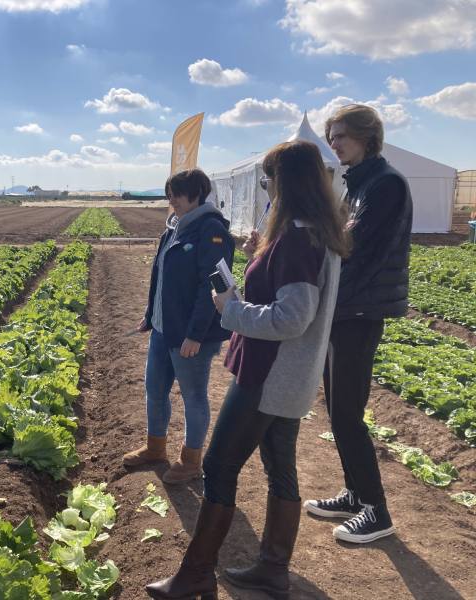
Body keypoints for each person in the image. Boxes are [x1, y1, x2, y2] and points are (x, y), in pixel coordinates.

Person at [145, 141, 350, 600]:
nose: (265, 189)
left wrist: (231, 310)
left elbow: (291, 317)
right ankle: (272, 571)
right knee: (281, 468)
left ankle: (196, 574)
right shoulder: (316, 232)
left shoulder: (299, 238)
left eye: (267, 180)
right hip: (290, 376)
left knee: (218, 466)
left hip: (266, 374)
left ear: (286, 181)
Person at [304, 104, 412, 543]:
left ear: (368, 136)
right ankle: (354, 494)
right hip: (345, 309)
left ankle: (377, 510)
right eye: (331, 136)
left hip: (360, 312)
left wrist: (325, 298)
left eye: (341, 135)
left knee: (348, 412)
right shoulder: (360, 184)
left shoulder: (385, 186)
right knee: (338, 410)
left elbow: (359, 255)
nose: (333, 143)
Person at [122, 168, 235, 484]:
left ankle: (191, 460)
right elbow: (160, 277)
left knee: (193, 396)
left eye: (177, 194)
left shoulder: (211, 230)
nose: (171, 200)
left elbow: (211, 286)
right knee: (154, 391)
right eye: (169, 193)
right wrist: (150, 313)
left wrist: (195, 334)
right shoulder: (173, 228)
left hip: (190, 335)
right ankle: (155, 448)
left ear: (196, 194)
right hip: (163, 328)